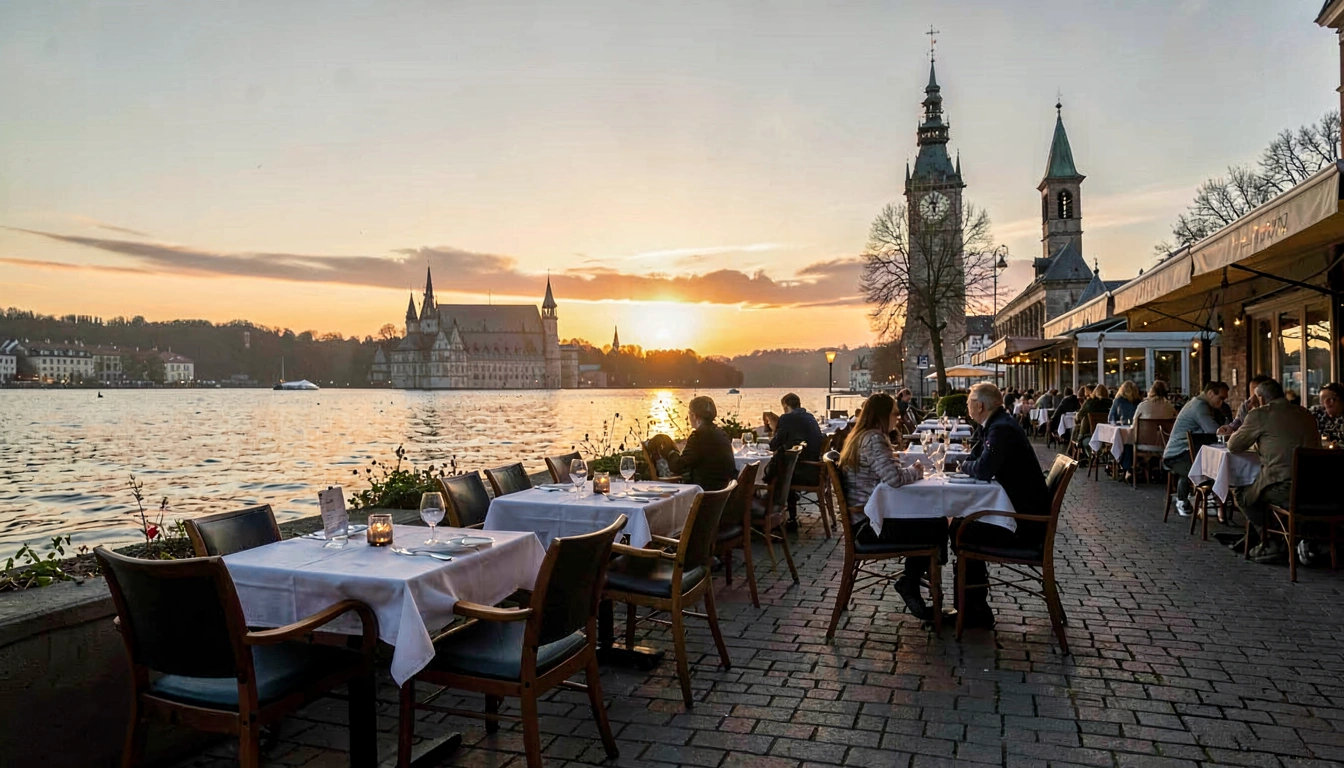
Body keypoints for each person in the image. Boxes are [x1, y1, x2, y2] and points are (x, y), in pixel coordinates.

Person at [952, 382, 1052, 629]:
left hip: (1026, 527)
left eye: (968, 403)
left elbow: (983, 469)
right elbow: (977, 458)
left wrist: (960, 465)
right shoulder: (996, 424)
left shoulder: (1001, 429)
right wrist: (967, 461)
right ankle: (974, 607)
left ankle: (972, 610)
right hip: (1025, 514)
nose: (967, 407)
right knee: (960, 526)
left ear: (979, 405)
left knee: (958, 529)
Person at [837, 392, 944, 621]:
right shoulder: (874, 439)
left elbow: (886, 473)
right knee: (937, 525)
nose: (899, 417)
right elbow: (893, 479)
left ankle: (912, 579)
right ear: (883, 415)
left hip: (866, 520)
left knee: (933, 523)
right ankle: (910, 582)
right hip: (870, 528)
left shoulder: (860, 437)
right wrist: (916, 470)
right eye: (895, 413)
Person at [1227, 378, 1321, 563]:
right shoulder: (1305, 413)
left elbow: (1233, 445)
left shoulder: (1261, 414)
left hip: (1284, 487)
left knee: (1242, 493)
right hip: (1316, 487)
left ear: (1260, 398)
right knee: (1260, 490)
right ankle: (1296, 537)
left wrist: (1248, 419)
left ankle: (1270, 540)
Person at [1161, 381, 1229, 517]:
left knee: (1208, 464)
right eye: (1220, 398)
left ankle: (1209, 500)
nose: (1221, 402)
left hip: (1185, 451)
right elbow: (1213, 430)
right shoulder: (1199, 406)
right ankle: (1184, 501)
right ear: (1210, 393)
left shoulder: (1202, 405)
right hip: (1176, 454)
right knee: (1200, 466)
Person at [768, 392, 826, 529]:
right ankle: (788, 512)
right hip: (816, 469)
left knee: (774, 474)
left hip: (803, 472)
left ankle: (772, 516)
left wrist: (773, 430)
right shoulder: (810, 417)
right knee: (784, 466)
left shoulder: (787, 418)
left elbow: (773, 445)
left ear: (786, 406)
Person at [665, 396, 738, 491]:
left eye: (689, 414)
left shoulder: (698, 437)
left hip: (704, 494)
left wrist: (670, 451)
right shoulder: (721, 433)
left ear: (694, 416)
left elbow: (678, 467)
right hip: (723, 493)